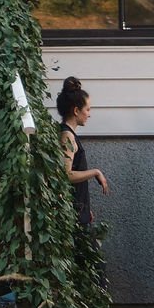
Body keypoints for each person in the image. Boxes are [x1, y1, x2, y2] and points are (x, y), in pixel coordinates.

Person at [57, 76, 109, 226]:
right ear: (76, 110)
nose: (89, 114)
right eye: (87, 109)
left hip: (77, 210)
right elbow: (66, 174)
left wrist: (86, 209)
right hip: (72, 215)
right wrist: (95, 172)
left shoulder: (67, 133)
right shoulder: (67, 136)